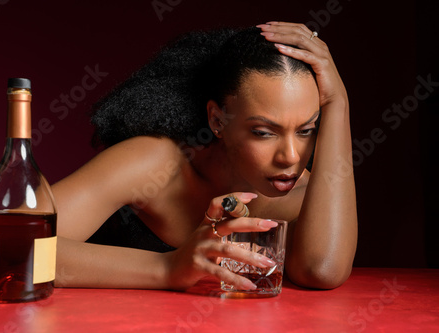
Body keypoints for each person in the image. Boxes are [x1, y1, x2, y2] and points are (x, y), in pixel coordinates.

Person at [52, 21, 357, 291]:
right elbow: (11, 245)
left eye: (306, 130)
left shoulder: (305, 196)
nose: (290, 157)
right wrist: (166, 269)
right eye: (264, 132)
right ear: (217, 120)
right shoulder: (156, 163)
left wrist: (337, 101)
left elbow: (322, 270)